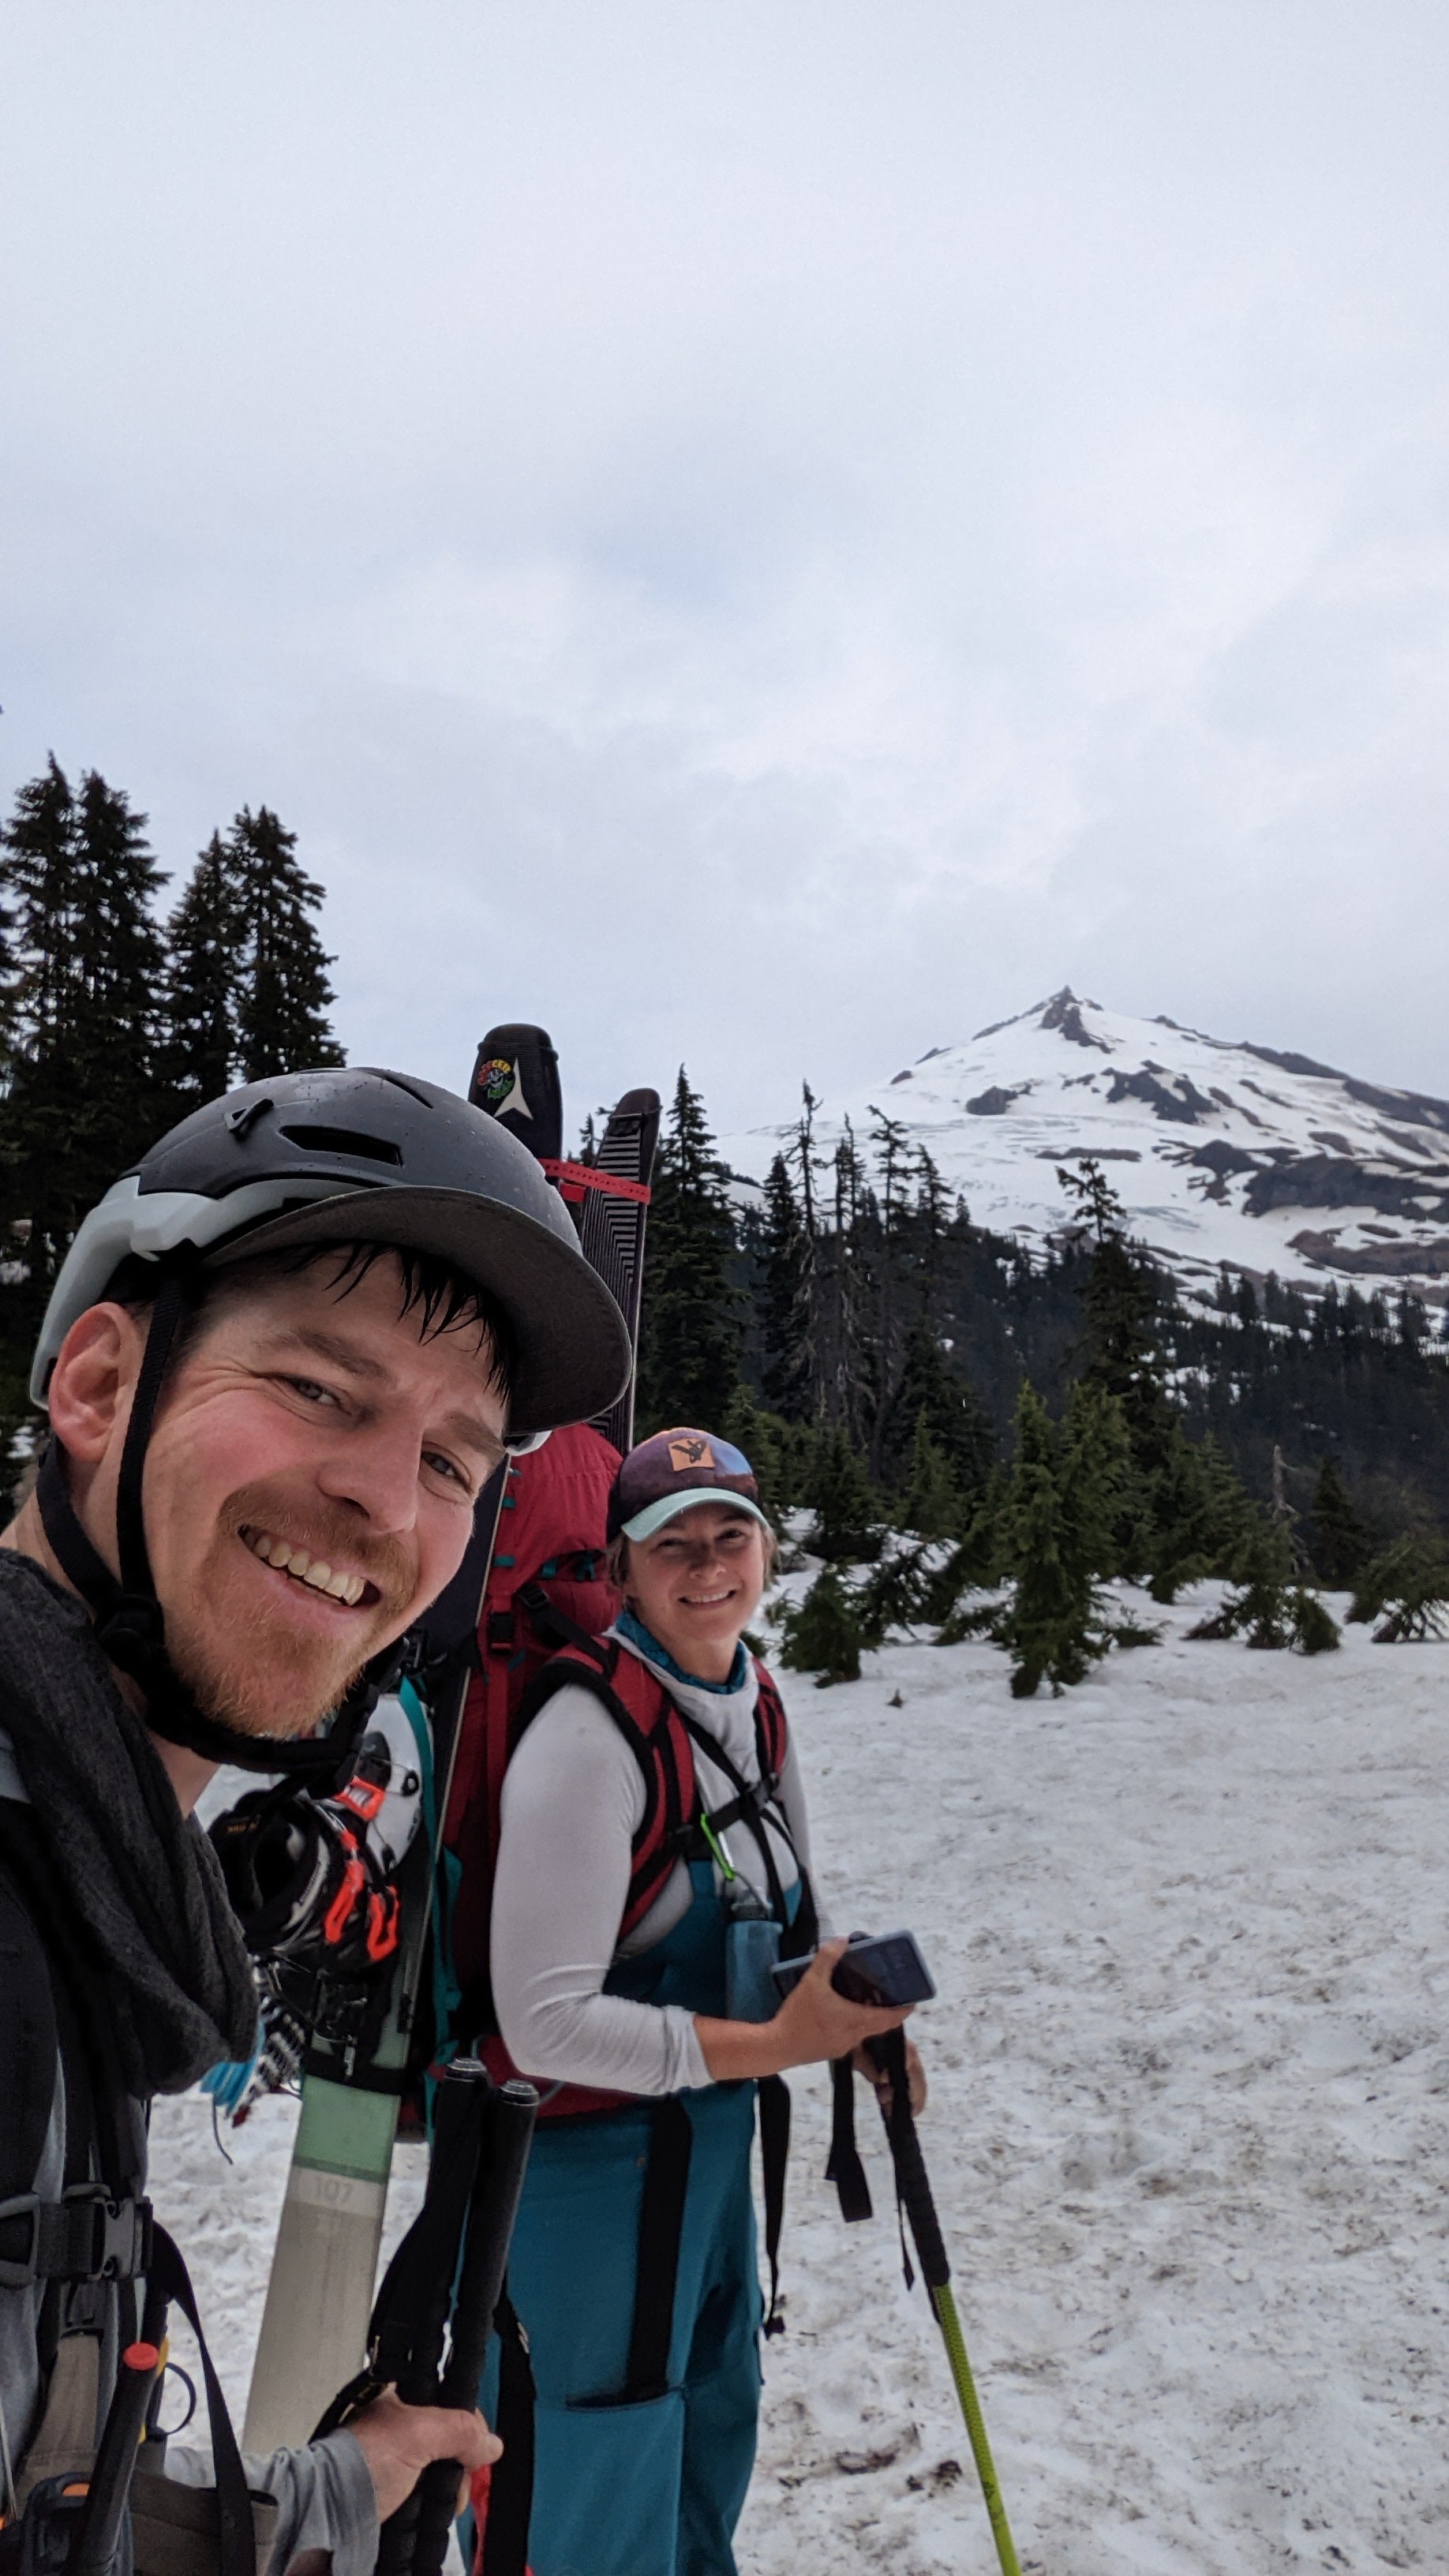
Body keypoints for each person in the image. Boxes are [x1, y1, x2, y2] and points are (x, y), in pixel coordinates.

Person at [0, 1066, 631, 2576]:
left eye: (449, 1462)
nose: (384, 1505)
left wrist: (329, 2502)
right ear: (94, 1386)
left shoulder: (79, 1906)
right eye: (317, 1390)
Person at [480, 1425, 927, 2576]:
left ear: (769, 1554)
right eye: (669, 1543)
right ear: (619, 1571)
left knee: (710, 2421)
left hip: (710, 2152)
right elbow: (542, 2024)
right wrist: (777, 2040)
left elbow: (789, 1918)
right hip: (585, 2178)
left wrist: (855, 2026)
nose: (708, 1563)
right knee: (598, 2464)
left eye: (733, 1535)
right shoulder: (587, 1739)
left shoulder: (755, 1703)